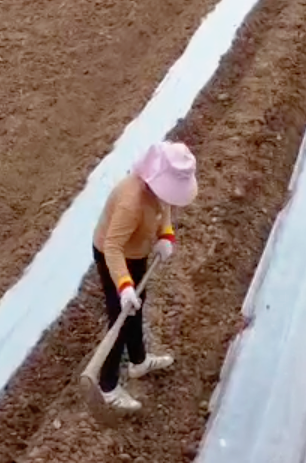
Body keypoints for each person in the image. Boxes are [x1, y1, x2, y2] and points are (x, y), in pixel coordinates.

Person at [91, 141, 198, 415]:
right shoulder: (132, 202)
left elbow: (165, 207)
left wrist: (165, 235)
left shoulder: (158, 189)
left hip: (137, 251)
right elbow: (113, 247)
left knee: (137, 308)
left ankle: (138, 362)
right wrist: (124, 286)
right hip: (112, 255)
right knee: (120, 317)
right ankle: (107, 387)